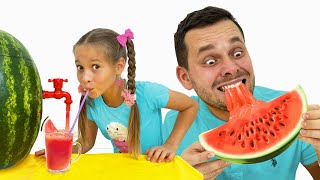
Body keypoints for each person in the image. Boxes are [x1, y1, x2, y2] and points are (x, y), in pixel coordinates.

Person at [162, 6, 320, 179]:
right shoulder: (171, 126)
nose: (231, 68)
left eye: (237, 53)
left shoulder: (294, 113)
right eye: (210, 61)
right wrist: (178, 175)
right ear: (185, 77)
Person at [36, 28, 198, 163]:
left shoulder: (148, 93)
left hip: (155, 169)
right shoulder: (91, 102)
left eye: (95, 66)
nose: (85, 77)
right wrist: (58, 151)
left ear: (119, 66)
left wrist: (170, 145)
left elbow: (190, 106)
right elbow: (86, 142)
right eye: (80, 67)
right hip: (122, 170)